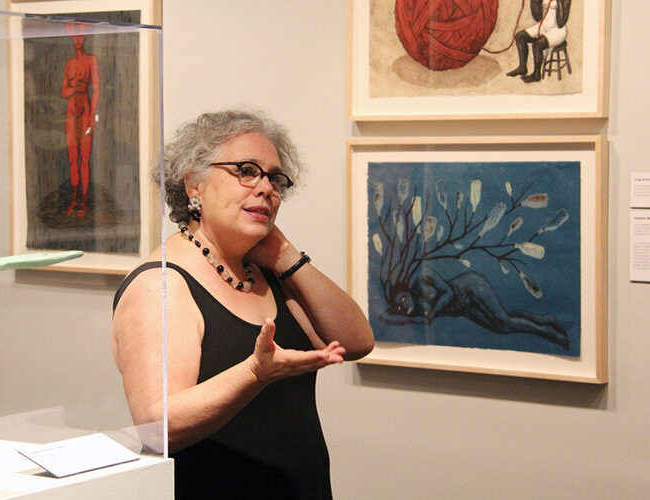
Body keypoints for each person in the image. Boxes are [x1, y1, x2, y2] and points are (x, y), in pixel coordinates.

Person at [111, 110, 374, 499]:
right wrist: (255, 372)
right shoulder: (162, 284)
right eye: (247, 171)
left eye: (275, 178)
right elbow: (157, 426)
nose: (265, 187)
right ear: (194, 184)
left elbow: (356, 341)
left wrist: (284, 254)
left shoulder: (267, 270)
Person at [384, 267, 569, 350]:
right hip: (464, 308)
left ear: (405, 289)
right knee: (502, 326)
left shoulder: (423, 277)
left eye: (402, 299)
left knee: (504, 321)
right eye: (399, 306)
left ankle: (549, 333)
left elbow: (448, 292)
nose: (403, 305)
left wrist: (432, 313)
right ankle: (546, 319)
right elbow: (385, 317)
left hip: (471, 289)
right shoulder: (413, 311)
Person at [61, 34, 99, 217]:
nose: (77, 39)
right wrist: (75, 88)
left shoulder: (91, 60)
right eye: (75, 36)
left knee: (84, 159)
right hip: (71, 113)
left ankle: (83, 201)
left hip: (84, 112)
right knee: (72, 159)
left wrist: (92, 116)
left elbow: (96, 90)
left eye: (81, 36)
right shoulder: (69, 64)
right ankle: (74, 199)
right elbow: (63, 91)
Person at [506, 0, 571, 83]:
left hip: (558, 29)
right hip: (543, 26)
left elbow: (561, 21)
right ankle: (522, 67)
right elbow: (537, 16)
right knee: (520, 37)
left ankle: (537, 74)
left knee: (538, 45)